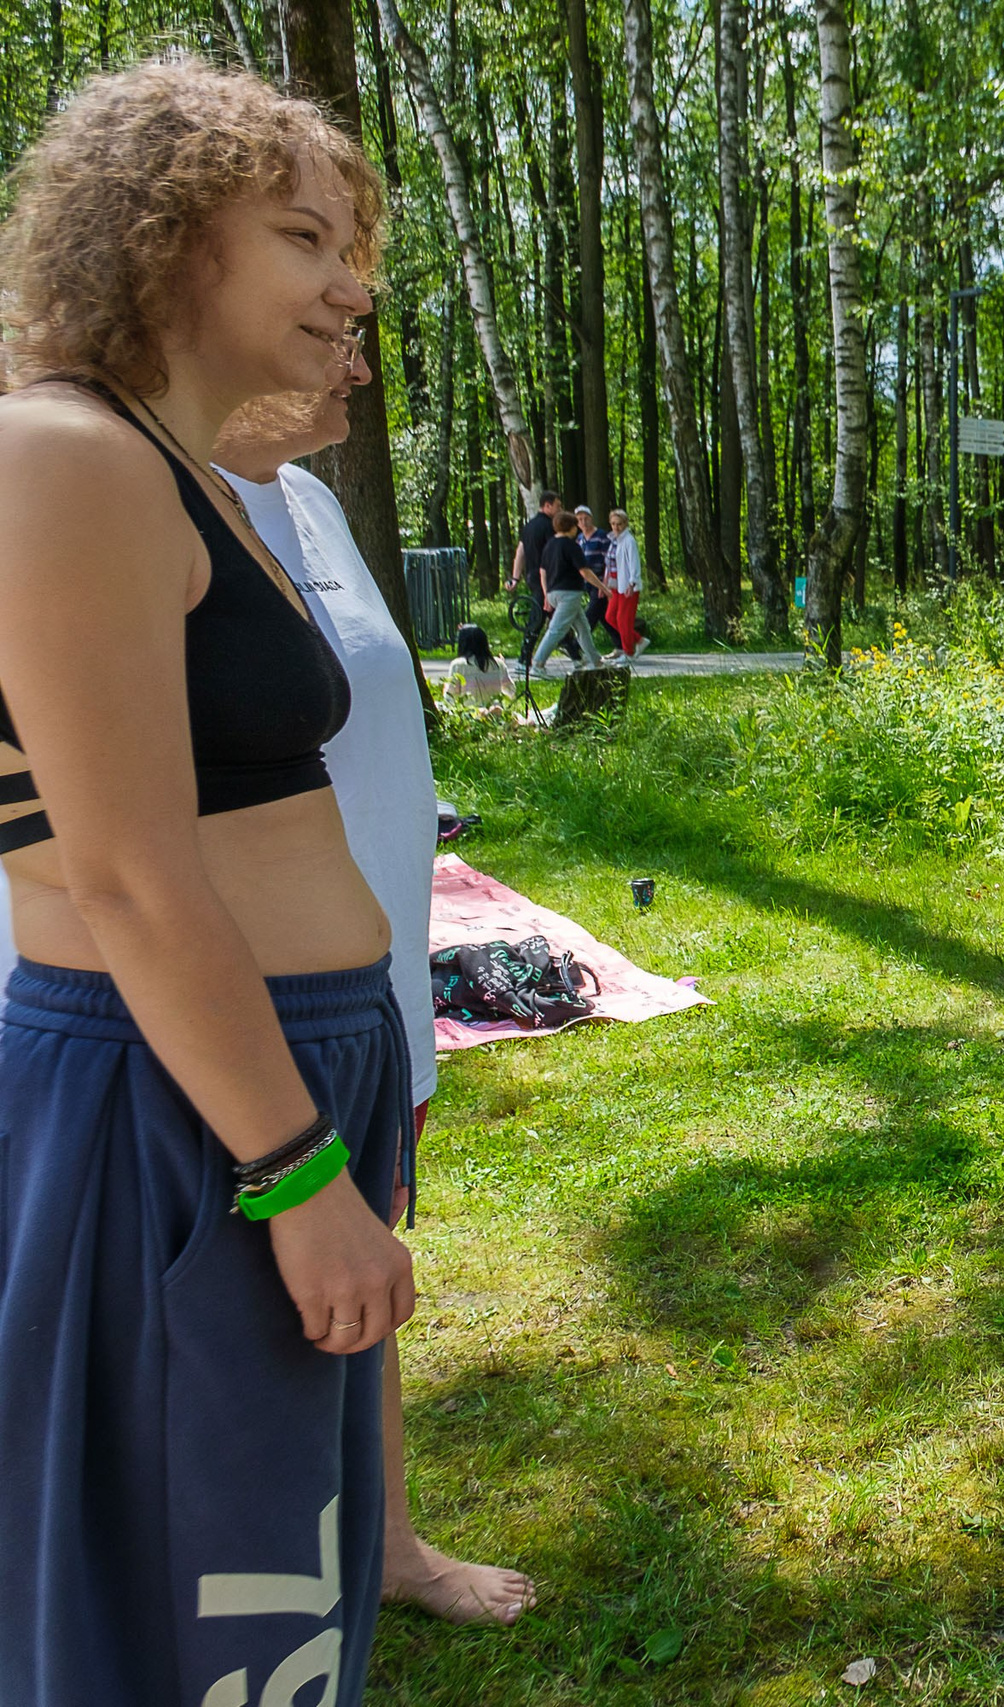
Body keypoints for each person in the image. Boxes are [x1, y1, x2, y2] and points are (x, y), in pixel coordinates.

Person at [0, 60, 412, 1705]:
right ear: (167, 240)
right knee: (207, 1613)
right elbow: (121, 872)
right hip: (192, 1114)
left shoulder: (163, 469)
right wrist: (296, 1176)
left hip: (260, 1076)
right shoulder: (63, 453)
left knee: (273, 1574)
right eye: (306, 237)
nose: (351, 282)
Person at [212, 362, 535, 1626]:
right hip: (237, 1019)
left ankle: (388, 1540)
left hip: (376, 1003)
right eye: (320, 302)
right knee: (227, 1319)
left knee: (367, 1276)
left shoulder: (312, 502)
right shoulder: (122, 493)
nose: (358, 361)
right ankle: (228, 1590)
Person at [527, 509, 602, 675]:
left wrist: (546, 594)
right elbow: (585, 571)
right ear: (571, 527)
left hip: (553, 592)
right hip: (569, 593)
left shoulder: (550, 545)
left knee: (583, 628)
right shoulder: (571, 546)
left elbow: (543, 571)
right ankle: (538, 664)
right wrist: (603, 588)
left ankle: (595, 660)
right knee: (556, 630)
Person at [507, 489, 564, 671]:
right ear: (547, 506)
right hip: (546, 578)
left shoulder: (529, 526)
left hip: (532, 577)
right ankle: (524, 659)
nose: (560, 509)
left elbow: (520, 552)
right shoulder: (549, 527)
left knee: (557, 616)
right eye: (557, 506)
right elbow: (553, 554)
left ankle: (578, 654)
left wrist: (516, 577)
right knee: (540, 618)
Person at [603, 508, 648, 657]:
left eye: (619, 524)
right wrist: (605, 583)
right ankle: (638, 640)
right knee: (610, 616)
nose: (616, 527)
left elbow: (634, 564)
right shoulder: (613, 540)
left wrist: (632, 583)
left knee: (623, 620)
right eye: (613, 524)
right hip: (615, 584)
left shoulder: (629, 541)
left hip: (627, 585)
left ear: (626, 524)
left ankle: (628, 653)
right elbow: (610, 563)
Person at [573, 504, 613, 656]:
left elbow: (608, 561)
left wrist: (604, 584)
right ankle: (622, 642)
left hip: (600, 581)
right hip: (586, 582)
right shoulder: (580, 539)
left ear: (591, 518)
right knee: (603, 615)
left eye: (586, 518)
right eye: (580, 519)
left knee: (592, 613)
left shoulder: (602, 536)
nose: (583, 522)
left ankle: (576, 645)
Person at [446, 621, 514, 708]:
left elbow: (450, 697)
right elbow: (511, 691)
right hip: (494, 714)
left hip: (469, 714)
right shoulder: (498, 663)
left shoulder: (457, 665)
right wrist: (503, 666)